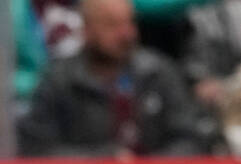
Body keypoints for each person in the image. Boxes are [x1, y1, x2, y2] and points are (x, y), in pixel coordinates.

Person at [19, 0, 208, 156]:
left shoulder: (159, 73)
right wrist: (104, 160)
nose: (126, 33)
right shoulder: (58, 80)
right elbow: (38, 150)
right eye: (112, 24)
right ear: (87, 30)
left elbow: (190, 139)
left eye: (130, 22)